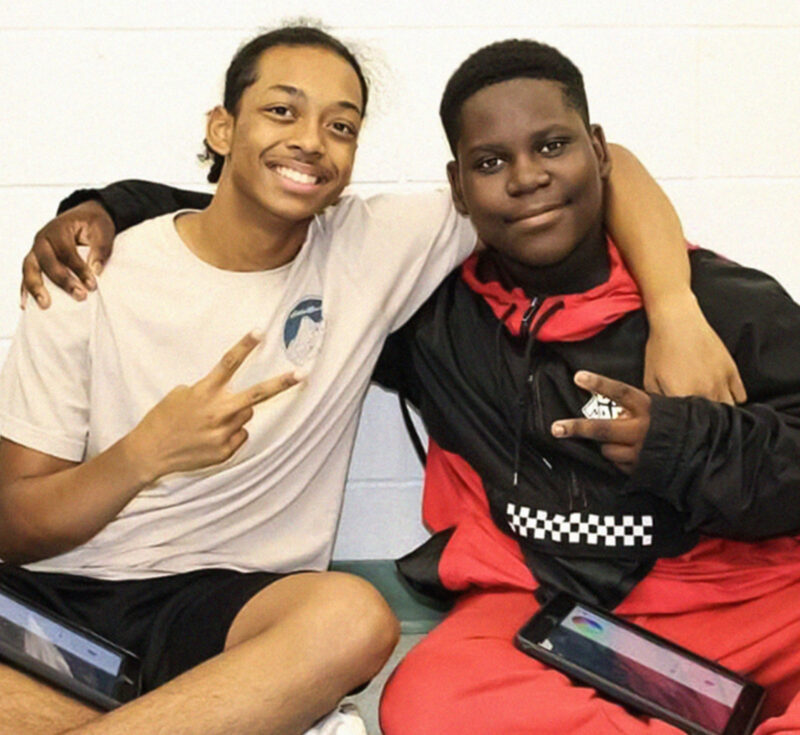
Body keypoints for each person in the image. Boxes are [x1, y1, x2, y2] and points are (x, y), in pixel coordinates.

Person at [4, 24, 743, 735]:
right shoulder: (87, 270)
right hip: (56, 597)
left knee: (356, 619)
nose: (310, 140)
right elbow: (15, 523)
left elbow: (613, 165)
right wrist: (142, 455)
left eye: (341, 126)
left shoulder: (367, 247)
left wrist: (675, 309)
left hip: (232, 615)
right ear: (223, 129)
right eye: (282, 110)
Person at [373, 39, 800, 734]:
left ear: (598, 150)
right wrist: (125, 208)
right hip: (550, 614)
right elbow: (257, 234)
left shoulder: (718, 303)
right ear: (458, 186)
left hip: (746, 599)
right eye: (490, 162)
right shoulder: (430, 319)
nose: (526, 178)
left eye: (551, 147)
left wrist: (684, 444)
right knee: (429, 703)